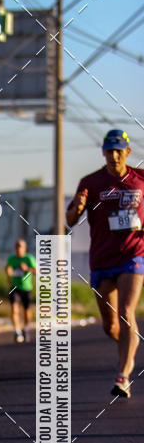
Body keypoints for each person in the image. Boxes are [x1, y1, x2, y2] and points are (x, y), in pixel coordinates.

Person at [66, 129, 144, 398]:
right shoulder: (91, 182)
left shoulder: (140, 179)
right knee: (110, 326)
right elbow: (70, 220)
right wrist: (77, 207)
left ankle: (123, 375)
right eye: (109, 150)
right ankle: (129, 347)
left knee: (126, 312)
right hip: (101, 260)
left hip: (133, 255)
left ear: (127, 152)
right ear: (103, 152)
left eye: (118, 150)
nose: (114, 155)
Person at [5, 239, 36, 342]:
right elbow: (8, 269)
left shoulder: (29, 258)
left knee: (26, 311)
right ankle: (17, 331)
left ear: (24, 248)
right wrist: (8, 273)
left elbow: (36, 271)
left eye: (20, 246)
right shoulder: (11, 259)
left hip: (27, 288)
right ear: (15, 248)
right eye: (17, 246)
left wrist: (27, 269)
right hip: (15, 288)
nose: (18, 248)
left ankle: (25, 328)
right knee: (14, 309)